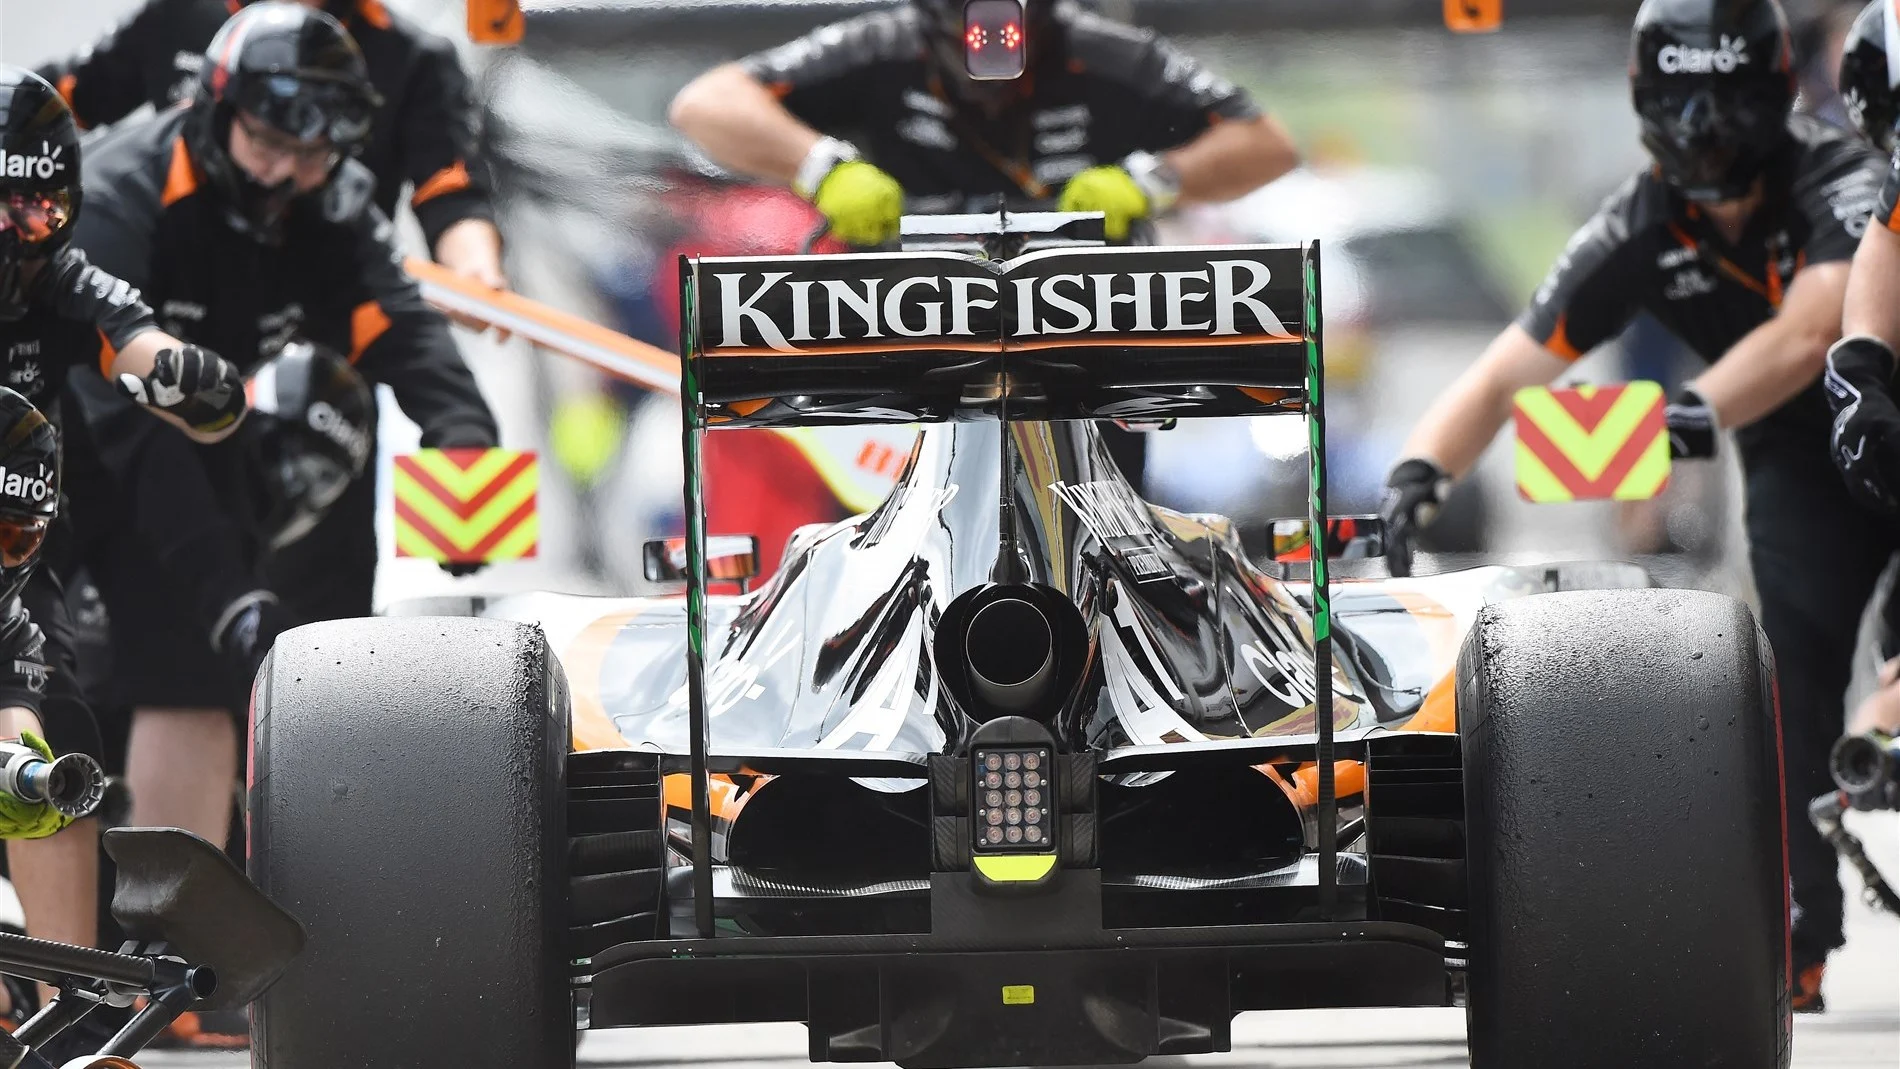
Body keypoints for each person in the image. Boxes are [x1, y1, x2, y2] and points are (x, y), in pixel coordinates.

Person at [1379, 0, 1887, 1013]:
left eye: (1726, 101)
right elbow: (1503, 375)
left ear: (1772, 95)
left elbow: (1810, 331)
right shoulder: (1634, 226)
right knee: (1783, 680)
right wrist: (1417, 472)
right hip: (1789, 459)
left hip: (1883, 410)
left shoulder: (1846, 175)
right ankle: (1795, 939)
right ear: (1644, 103)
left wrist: (1675, 423)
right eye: (1678, 102)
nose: (1702, 128)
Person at [60, 0, 497, 927]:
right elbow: (132, 435)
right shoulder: (114, 198)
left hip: (198, 428)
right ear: (215, 107)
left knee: (248, 664)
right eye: (271, 143)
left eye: (315, 154)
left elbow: (401, 328)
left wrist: (465, 450)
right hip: (65, 437)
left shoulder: (325, 201)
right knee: (117, 663)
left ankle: (201, 949)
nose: (288, 171)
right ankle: (106, 951)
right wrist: (227, 595)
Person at [668, 0, 1301, 491]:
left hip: (1082, 355)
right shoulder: (880, 47)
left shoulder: (1107, 55)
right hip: (908, 354)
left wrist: (1152, 180)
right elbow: (704, 104)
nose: (995, 81)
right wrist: (821, 167)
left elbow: (1268, 143)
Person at [0, 66, 248, 1024]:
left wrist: (189, 380)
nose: (11, 233)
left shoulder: (60, 276)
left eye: (31, 209)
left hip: (17, 540)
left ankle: (61, 1007)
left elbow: (146, 353)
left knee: (50, 734)